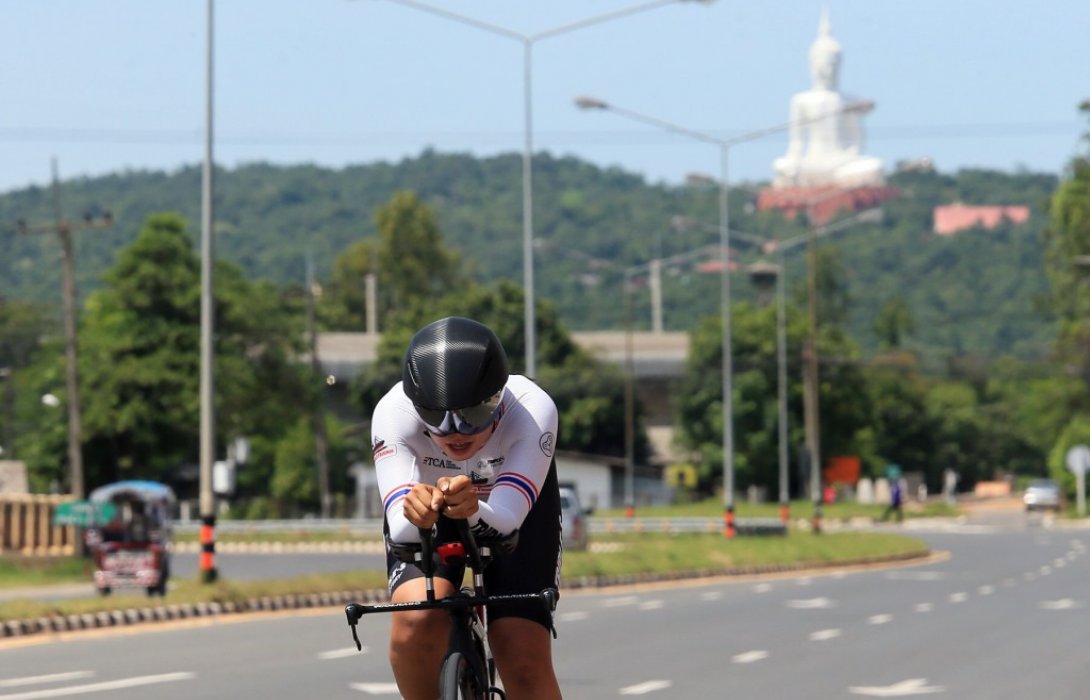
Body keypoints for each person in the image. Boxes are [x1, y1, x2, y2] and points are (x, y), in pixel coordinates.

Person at [370, 316, 564, 700]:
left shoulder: (532, 410)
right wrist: (416, 511)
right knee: (415, 620)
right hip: (434, 507)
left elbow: (507, 522)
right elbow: (404, 529)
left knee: (520, 651)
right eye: (433, 415)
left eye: (473, 415)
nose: (454, 431)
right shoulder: (393, 413)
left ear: (497, 397)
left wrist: (474, 509)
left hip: (512, 511)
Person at [772, 9, 884, 189]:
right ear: (812, 65)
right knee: (783, 166)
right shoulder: (801, 100)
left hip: (841, 163)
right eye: (823, 64)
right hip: (811, 163)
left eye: (832, 65)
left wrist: (849, 157)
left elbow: (857, 143)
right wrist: (793, 161)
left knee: (873, 166)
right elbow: (796, 146)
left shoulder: (850, 101)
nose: (828, 70)